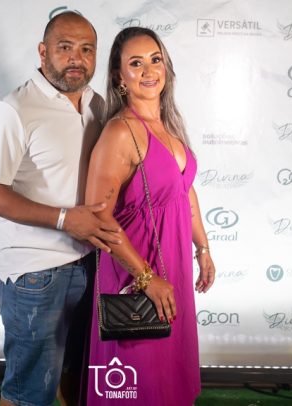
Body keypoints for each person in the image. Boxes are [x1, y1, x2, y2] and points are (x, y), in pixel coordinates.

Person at [0, 11, 122, 406]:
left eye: (87, 49)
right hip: (35, 274)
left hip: (91, 264)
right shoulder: (15, 110)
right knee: (29, 392)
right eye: (65, 48)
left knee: (80, 379)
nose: (77, 58)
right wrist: (64, 218)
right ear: (43, 52)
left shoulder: (96, 104)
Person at [85, 27, 216, 405]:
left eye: (155, 60)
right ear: (119, 76)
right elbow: (98, 218)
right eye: (136, 63)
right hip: (135, 274)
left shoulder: (169, 127)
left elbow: (184, 191)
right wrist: (146, 278)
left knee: (167, 379)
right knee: (137, 383)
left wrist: (203, 248)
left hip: (172, 269)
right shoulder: (119, 132)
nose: (148, 70)